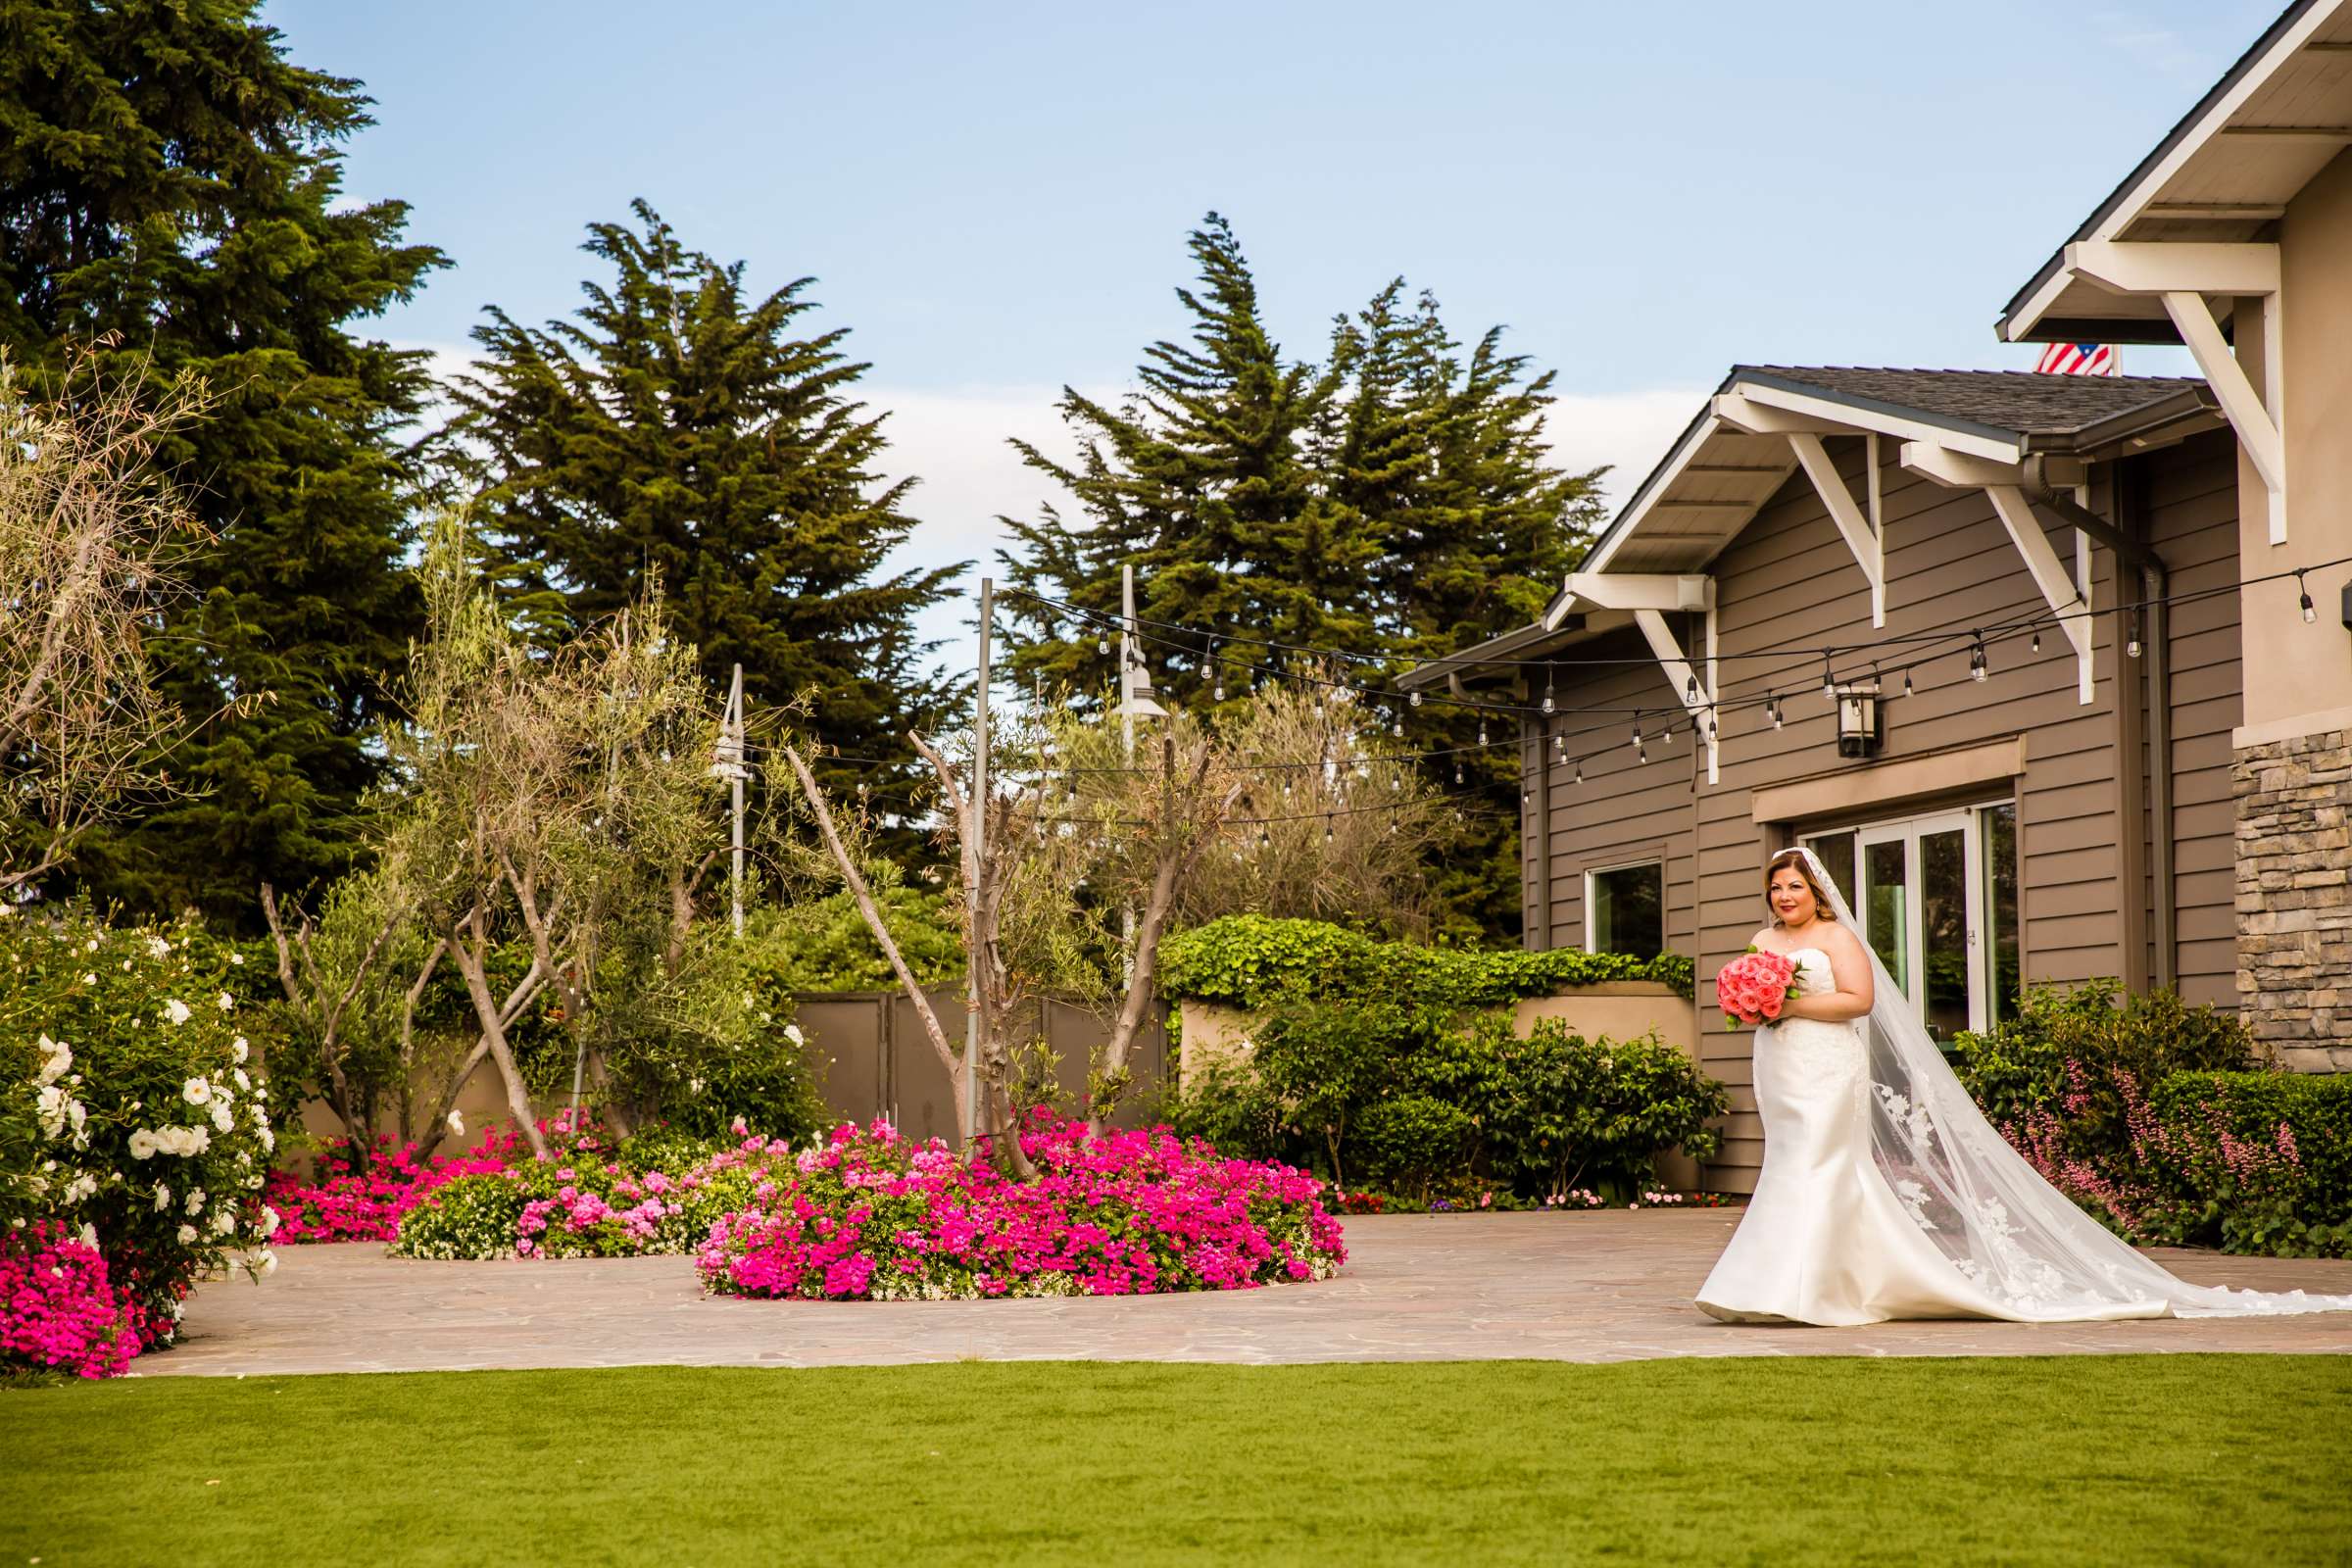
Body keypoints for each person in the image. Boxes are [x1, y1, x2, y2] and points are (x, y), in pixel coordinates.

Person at [1693, 845, 2352, 1326]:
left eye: (1795, 887)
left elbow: (1860, 1000)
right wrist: (1753, 1006)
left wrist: (1785, 1005)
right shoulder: (1762, 937)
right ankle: (1789, 1282)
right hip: (1778, 1066)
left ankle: (1804, 1288)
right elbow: (1754, 997)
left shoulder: (1837, 937)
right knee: (1789, 1162)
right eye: (1776, 887)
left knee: (1821, 1164)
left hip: (1826, 1064)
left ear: (1817, 892)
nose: (1784, 897)